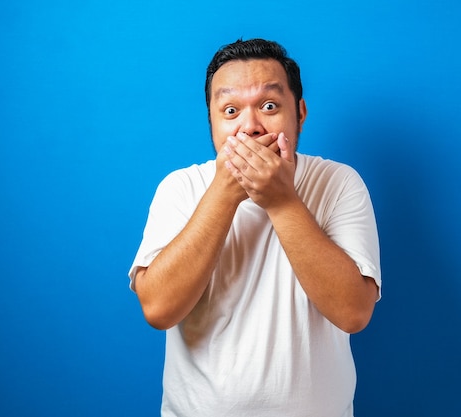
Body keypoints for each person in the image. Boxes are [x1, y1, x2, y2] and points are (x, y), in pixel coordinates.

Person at [128, 38, 381, 417]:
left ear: (300, 112)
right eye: (230, 110)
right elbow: (159, 309)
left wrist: (281, 201)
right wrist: (225, 194)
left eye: (269, 106)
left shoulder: (339, 183)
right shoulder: (180, 188)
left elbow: (353, 312)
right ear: (212, 122)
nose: (249, 126)